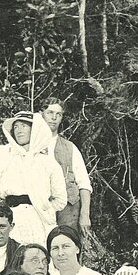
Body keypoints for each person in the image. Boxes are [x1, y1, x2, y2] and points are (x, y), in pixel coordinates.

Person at [0, 111, 66, 245]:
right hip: (10, 218)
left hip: (39, 219)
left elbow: (60, 199)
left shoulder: (48, 163)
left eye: (24, 126)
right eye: (16, 127)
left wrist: (44, 207)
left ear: (34, 130)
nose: (19, 131)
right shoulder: (4, 161)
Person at [39, 98, 93, 238]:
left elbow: (84, 184)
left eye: (59, 114)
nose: (54, 118)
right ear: (41, 114)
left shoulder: (70, 148)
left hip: (67, 211)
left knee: (67, 247)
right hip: (40, 208)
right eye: (50, 112)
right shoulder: (31, 146)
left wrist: (84, 215)